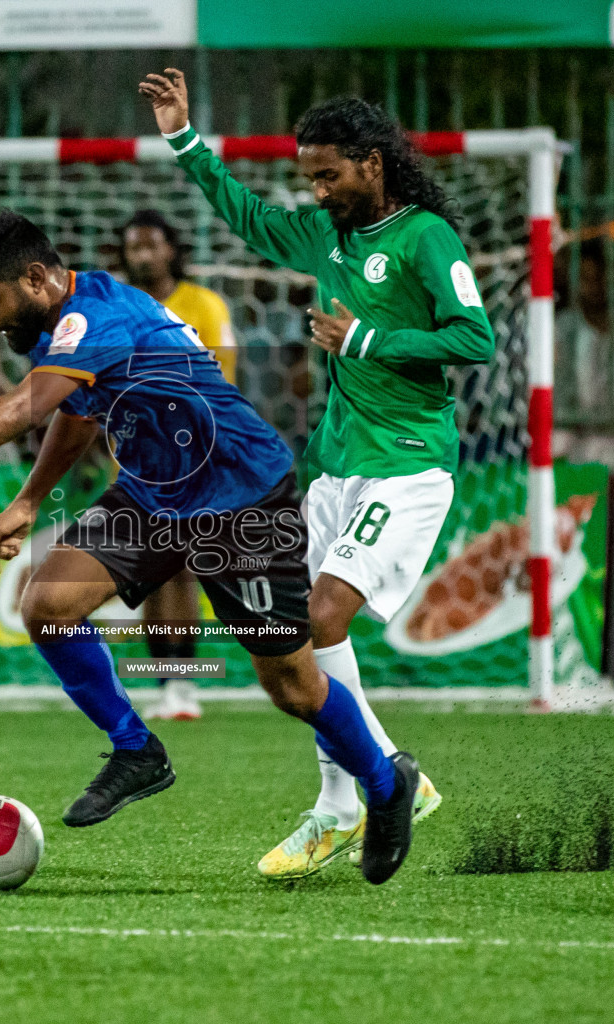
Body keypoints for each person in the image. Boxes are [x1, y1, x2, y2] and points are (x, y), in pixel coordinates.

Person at [0, 210, 421, 884]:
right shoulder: (66, 319)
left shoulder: (95, 319)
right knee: (47, 604)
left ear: (37, 277)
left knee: (292, 687)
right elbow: (78, 411)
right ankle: (136, 749)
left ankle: (386, 780)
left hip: (240, 495)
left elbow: (30, 405)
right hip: (153, 493)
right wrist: (27, 498)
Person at [141, 68, 491, 878]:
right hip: (335, 472)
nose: (318, 191)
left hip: (407, 468)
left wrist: (366, 340)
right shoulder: (323, 237)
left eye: (329, 175)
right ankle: (390, 778)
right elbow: (244, 214)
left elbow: (474, 339)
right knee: (287, 638)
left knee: (323, 618)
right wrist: (183, 137)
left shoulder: (425, 239)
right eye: (309, 177)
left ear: (373, 163)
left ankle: (343, 805)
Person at [119, 208, 239, 721]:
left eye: (151, 244)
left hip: (193, 459)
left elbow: (220, 382)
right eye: (133, 246)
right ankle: (162, 681)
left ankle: (185, 683)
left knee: (182, 570)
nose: (142, 254)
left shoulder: (203, 306)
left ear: (171, 248)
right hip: (133, 459)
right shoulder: (118, 308)